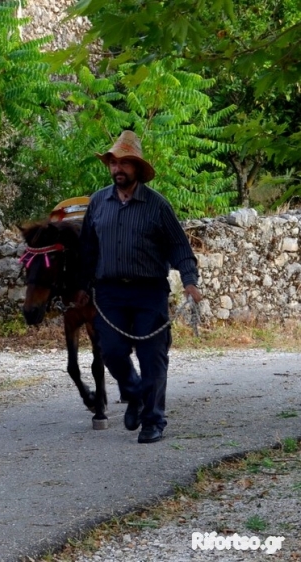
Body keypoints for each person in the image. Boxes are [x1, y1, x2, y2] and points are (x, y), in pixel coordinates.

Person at [76, 130, 203, 444]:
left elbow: (179, 247)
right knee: (112, 351)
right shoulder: (98, 202)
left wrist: (189, 281)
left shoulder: (157, 206)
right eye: (113, 163)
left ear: (137, 168)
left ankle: (153, 421)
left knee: (152, 356)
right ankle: (134, 394)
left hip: (149, 291)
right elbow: (88, 250)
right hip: (108, 292)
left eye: (124, 164)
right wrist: (81, 285)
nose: (117, 169)